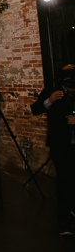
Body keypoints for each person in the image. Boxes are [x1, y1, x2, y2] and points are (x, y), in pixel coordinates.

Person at [30, 64, 75, 236]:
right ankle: (64, 219)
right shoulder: (52, 92)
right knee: (64, 180)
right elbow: (35, 110)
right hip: (59, 144)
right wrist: (50, 100)